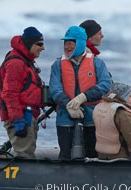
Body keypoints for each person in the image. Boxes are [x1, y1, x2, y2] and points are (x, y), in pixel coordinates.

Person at [49, 26, 112, 160]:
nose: (67, 46)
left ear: (81, 43)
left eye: (72, 42)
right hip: (65, 118)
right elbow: (55, 89)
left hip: (92, 118)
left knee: (92, 154)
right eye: (65, 43)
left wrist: (83, 97)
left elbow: (105, 84)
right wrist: (69, 105)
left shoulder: (97, 63)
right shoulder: (57, 65)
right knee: (66, 154)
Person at [0, 26, 45, 158]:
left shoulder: (25, 61)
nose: (43, 48)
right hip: (22, 117)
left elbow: (27, 89)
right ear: (29, 44)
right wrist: (18, 120)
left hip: (26, 116)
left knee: (27, 153)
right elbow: (9, 93)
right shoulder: (16, 63)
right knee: (24, 156)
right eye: (39, 44)